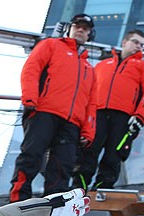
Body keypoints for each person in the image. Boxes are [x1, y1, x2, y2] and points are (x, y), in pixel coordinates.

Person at [8, 13, 97, 203]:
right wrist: (30, 97)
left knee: (62, 167)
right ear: (69, 28)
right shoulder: (50, 45)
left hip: (72, 123)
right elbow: (31, 69)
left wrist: (88, 131)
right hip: (43, 112)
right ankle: (17, 202)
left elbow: (92, 102)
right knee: (31, 157)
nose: (81, 30)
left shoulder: (89, 68)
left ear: (90, 34)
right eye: (77, 26)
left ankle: (54, 209)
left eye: (85, 29)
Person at [74, 30, 144, 190]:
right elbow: (87, 90)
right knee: (88, 151)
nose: (139, 47)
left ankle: (102, 189)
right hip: (97, 113)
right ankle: (78, 189)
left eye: (142, 45)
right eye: (135, 42)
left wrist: (140, 116)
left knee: (114, 155)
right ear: (124, 42)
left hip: (124, 118)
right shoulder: (102, 65)